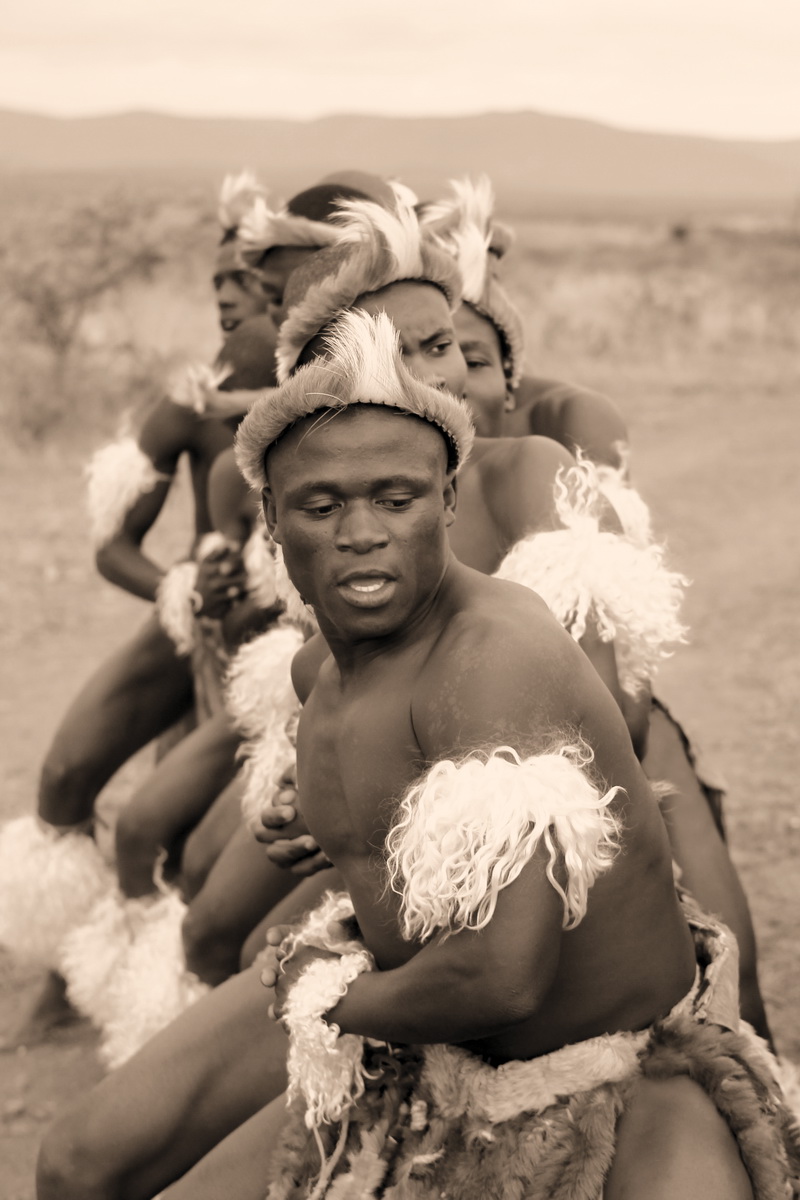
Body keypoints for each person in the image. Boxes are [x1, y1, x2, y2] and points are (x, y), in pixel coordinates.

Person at [159, 308, 797, 1199]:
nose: (361, 533)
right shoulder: (319, 674)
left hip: (610, 1074)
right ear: (270, 517)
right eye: (321, 505)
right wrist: (321, 820)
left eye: (396, 499)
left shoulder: (496, 652)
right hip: (429, 1064)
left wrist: (321, 993)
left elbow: (502, 978)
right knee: (78, 1162)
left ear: (449, 501)